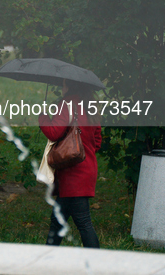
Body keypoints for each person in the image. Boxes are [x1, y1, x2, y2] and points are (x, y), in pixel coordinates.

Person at [39, 79, 102, 248]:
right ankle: (46, 260)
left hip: (73, 173)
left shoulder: (67, 104)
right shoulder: (90, 106)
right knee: (57, 219)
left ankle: (99, 262)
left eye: (64, 84)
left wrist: (43, 117)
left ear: (71, 86)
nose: (62, 86)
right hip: (86, 169)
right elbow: (97, 141)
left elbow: (54, 132)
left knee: (83, 222)